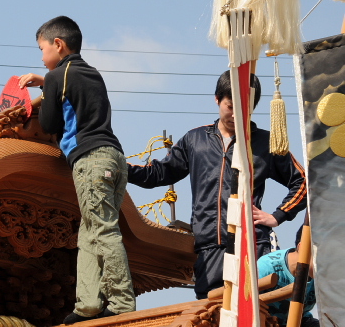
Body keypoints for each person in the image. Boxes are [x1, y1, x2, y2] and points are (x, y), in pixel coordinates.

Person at [127, 70, 307, 299]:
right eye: (230, 107)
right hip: (208, 246)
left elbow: (303, 182)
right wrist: (120, 168)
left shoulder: (266, 142)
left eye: (244, 109)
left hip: (252, 243)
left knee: (255, 307)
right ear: (217, 99)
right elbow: (158, 174)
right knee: (210, 308)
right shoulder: (195, 140)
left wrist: (278, 215)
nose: (235, 115)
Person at [19, 16, 136, 324]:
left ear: (58, 44)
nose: (42, 58)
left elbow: (48, 124)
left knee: (102, 230)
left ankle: (122, 302)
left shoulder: (57, 76)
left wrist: (45, 89)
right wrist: (47, 83)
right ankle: (88, 304)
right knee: (89, 232)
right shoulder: (91, 73)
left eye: (42, 49)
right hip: (114, 158)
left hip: (90, 160)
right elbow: (71, 91)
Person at [258, 226, 318, 327]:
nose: (326, 267)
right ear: (302, 248)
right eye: (322, 259)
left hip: (301, 321)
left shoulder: (325, 277)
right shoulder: (266, 268)